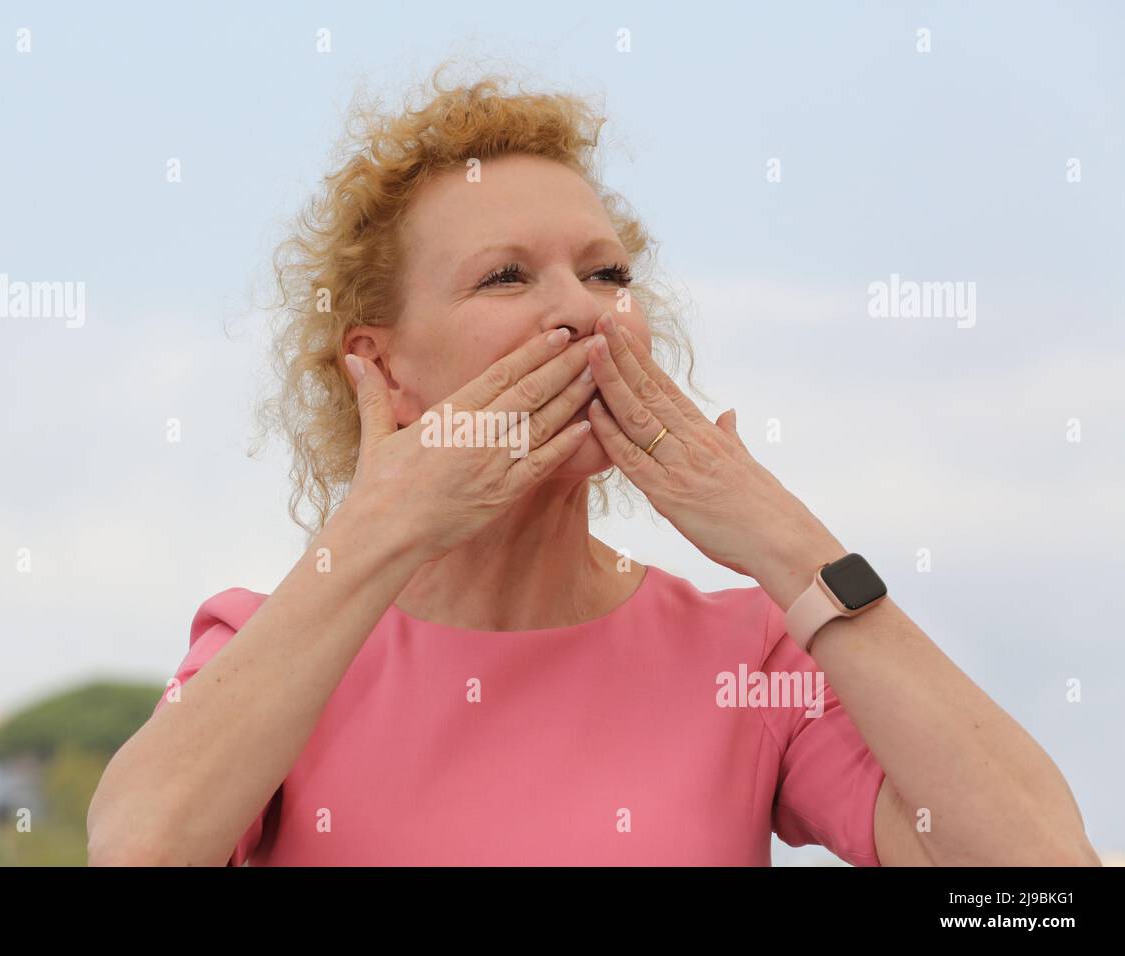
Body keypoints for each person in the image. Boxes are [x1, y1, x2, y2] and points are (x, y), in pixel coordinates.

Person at [87, 67, 1099, 867]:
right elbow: (139, 850)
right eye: (506, 276)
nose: (583, 309)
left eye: (607, 272)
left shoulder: (749, 659)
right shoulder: (274, 642)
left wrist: (787, 544)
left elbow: (1039, 873)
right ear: (384, 367)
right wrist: (376, 526)